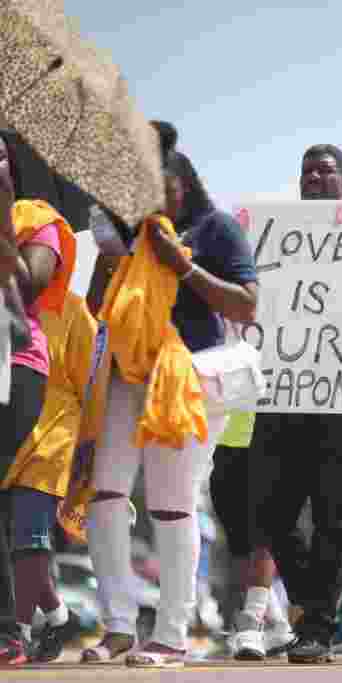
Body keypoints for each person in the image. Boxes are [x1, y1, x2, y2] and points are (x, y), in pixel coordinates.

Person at [83, 121, 259, 668]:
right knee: (105, 498)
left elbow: (244, 306)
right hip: (124, 374)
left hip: (183, 379)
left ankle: (171, 633)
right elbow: (95, 307)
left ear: (182, 182)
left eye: (161, 186)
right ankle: (117, 624)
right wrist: (112, 257)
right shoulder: (126, 233)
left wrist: (182, 264)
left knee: (170, 503)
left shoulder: (216, 228)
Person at [241, 143, 342, 665]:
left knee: (335, 514)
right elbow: (249, 304)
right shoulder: (272, 241)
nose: (313, 177)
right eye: (306, 171)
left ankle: (318, 626)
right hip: (283, 389)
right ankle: (318, 603)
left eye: (325, 172)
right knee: (271, 511)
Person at [0, 130, 76, 666]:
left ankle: (10, 630)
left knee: (28, 532)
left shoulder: (36, 218)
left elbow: (28, 285)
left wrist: (2, 213)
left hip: (15, 367)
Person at [0, 290, 95, 663]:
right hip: (11, 431)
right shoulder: (8, 300)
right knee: (13, 542)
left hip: (52, 437)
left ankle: (17, 632)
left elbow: (91, 385)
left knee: (29, 534)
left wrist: (89, 455)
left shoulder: (74, 310)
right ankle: (58, 616)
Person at [208, 412, 297, 660]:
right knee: (239, 545)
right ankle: (279, 626)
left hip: (270, 439)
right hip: (223, 439)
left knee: (263, 534)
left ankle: (253, 619)